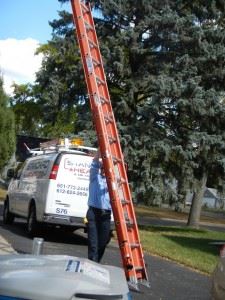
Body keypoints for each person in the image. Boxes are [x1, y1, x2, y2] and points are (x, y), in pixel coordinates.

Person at [86, 149, 112, 262]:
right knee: (93, 242)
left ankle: (96, 262)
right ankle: (92, 263)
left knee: (103, 241)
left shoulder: (111, 182)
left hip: (106, 215)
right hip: (93, 213)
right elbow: (94, 164)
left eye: (104, 168)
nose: (103, 170)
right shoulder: (94, 177)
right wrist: (99, 152)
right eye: (101, 168)